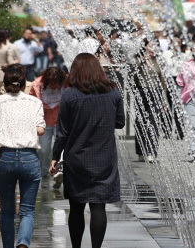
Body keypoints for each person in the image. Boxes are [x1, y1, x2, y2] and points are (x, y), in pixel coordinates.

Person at [49, 53, 125, 248]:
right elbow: (119, 122)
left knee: (76, 207)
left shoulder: (70, 95)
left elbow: (63, 131)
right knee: (99, 206)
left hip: (77, 158)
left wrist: (55, 157)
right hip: (104, 158)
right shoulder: (114, 92)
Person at [0, 64, 46, 248]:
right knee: (27, 211)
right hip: (29, 157)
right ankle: (23, 242)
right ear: (24, 83)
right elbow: (41, 130)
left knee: (6, 211)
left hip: (6, 157)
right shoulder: (34, 102)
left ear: (5, 83)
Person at [29, 67, 67, 181]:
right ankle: (44, 173)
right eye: (51, 83)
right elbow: (31, 101)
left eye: (56, 83)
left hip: (61, 121)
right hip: (44, 122)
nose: (54, 85)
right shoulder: (37, 85)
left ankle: (60, 171)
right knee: (44, 150)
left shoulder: (67, 84)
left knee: (62, 148)